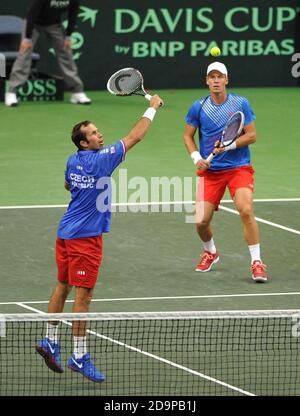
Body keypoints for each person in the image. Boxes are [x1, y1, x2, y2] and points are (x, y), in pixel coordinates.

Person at [36, 94, 164, 382]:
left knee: (62, 286)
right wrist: (152, 107)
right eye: (93, 133)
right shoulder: (101, 161)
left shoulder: (73, 159)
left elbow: (68, 184)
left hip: (65, 233)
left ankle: (49, 340)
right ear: (84, 142)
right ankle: (79, 356)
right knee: (84, 297)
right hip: (85, 239)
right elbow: (135, 136)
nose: (99, 134)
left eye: (97, 130)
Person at [183, 62, 267, 283]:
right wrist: (197, 158)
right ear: (207, 81)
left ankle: (257, 262)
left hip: (238, 168)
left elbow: (251, 136)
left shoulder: (241, 103)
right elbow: (187, 136)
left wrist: (228, 147)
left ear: (227, 80)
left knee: (246, 210)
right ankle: (210, 252)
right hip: (211, 173)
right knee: (200, 221)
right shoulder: (198, 107)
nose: (216, 80)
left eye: (220, 76)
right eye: (212, 77)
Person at [5, 0, 91, 107]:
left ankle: (77, 92)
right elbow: (32, 14)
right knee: (25, 54)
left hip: (54, 25)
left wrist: (68, 36)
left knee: (66, 53)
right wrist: (27, 38)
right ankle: (12, 92)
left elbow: (73, 14)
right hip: (34, 23)